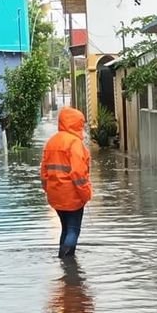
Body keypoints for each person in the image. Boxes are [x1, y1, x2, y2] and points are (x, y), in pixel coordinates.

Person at [41, 107, 93, 258]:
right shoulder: (75, 143)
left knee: (65, 228)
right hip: (72, 196)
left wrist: (49, 190)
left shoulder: (51, 142)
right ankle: (68, 265)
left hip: (55, 195)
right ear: (77, 123)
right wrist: (86, 194)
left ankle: (63, 263)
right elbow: (79, 174)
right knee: (73, 230)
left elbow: (43, 172)